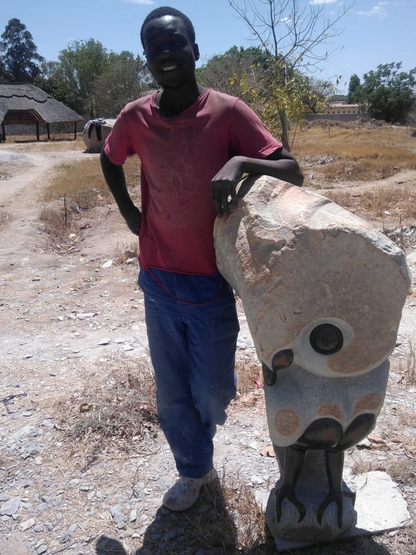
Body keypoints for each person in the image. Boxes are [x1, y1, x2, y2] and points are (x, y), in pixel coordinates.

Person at [101, 6, 304, 512]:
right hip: (158, 279)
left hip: (212, 282)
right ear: (147, 59)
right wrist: (130, 211)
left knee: (211, 392)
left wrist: (238, 160)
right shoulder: (135, 117)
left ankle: (202, 434)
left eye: (175, 44)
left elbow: (291, 169)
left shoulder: (228, 112)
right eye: (155, 48)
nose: (165, 54)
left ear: (196, 50)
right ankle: (195, 472)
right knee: (171, 396)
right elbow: (110, 157)